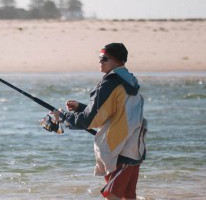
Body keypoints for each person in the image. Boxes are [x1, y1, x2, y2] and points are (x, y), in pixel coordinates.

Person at [49, 43, 147, 200]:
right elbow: (113, 111)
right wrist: (81, 107)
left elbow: (90, 120)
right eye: (99, 58)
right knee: (128, 195)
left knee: (112, 194)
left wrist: (63, 117)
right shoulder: (129, 82)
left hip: (119, 148)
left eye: (104, 58)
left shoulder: (111, 83)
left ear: (117, 61)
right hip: (135, 145)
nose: (100, 62)